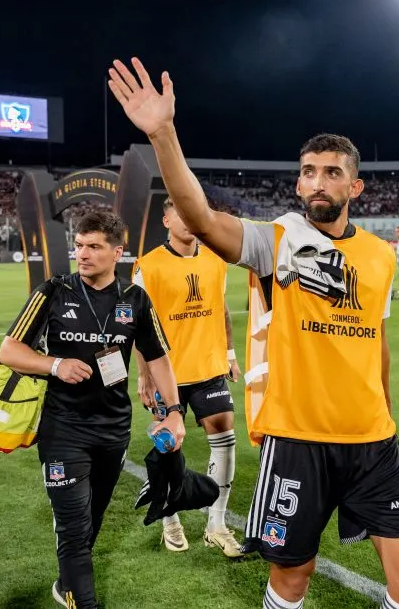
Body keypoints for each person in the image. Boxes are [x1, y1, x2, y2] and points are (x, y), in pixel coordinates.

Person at [108, 58, 399, 609]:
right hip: (299, 442)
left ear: (355, 184)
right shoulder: (276, 240)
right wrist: (162, 133)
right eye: (308, 170)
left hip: (375, 442)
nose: (318, 180)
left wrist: (385, 407)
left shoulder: (379, 257)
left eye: (332, 171)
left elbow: (375, 341)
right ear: (298, 182)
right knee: (292, 579)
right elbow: (203, 219)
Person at [0, 210, 186, 609]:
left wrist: (174, 410)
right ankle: (82, 599)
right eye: (79, 246)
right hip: (63, 428)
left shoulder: (134, 299)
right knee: (73, 525)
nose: (82, 254)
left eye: (94, 247)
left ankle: (65, 580)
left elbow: (158, 359)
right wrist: (54, 364)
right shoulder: (53, 291)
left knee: (91, 522)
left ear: (117, 252)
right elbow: (9, 351)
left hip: (113, 430)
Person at [134, 196, 243, 557]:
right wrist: (145, 376)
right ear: (166, 221)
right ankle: (169, 518)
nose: (186, 220)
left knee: (224, 432)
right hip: (168, 372)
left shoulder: (215, 259)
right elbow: (139, 326)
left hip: (210, 365)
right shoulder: (147, 266)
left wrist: (228, 353)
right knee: (169, 445)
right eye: (178, 214)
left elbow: (222, 308)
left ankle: (216, 523)